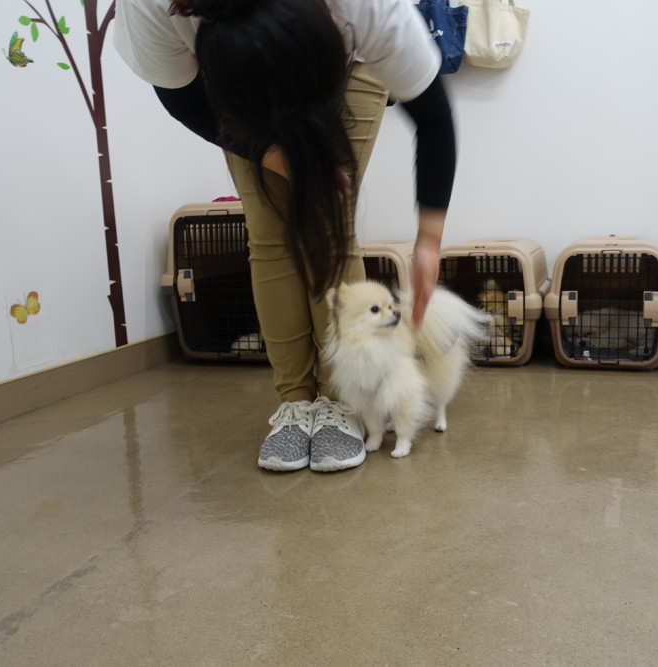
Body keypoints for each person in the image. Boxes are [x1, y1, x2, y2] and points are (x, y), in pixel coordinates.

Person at [114, 0, 457, 472]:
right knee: (269, 227)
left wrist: (429, 242)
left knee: (329, 220)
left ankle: (343, 399)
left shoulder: (369, 10)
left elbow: (433, 115)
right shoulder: (150, 8)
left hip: (347, 63)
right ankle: (295, 402)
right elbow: (183, 98)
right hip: (236, 69)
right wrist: (274, 155)